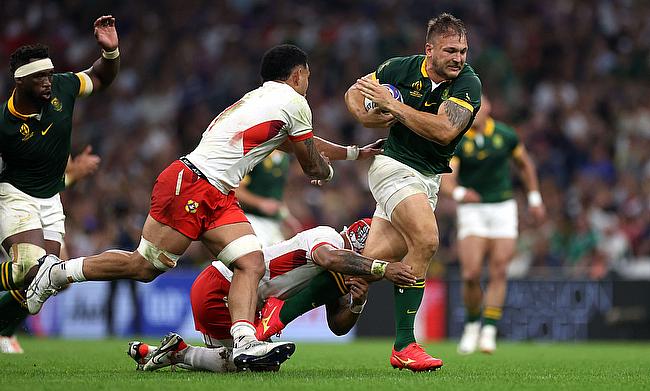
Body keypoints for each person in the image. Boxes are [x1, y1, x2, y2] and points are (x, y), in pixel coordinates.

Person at [27, 44, 382, 370]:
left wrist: (355, 153)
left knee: (250, 262)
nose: (308, 82)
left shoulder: (264, 100)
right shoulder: (294, 101)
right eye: (307, 75)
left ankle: (244, 341)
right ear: (297, 74)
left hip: (216, 191)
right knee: (145, 266)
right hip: (193, 183)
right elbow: (310, 163)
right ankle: (57, 273)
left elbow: (297, 144)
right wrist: (328, 170)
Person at [344, 13, 482, 371]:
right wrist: (366, 116)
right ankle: (404, 344)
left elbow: (444, 131)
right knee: (426, 239)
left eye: (463, 51)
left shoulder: (468, 83)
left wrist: (392, 106)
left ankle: (278, 315)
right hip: (394, 166)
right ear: (429, 50)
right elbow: (354, 93)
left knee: (366, 268)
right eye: (450, 50)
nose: (459, 58)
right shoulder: (399, 68)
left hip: (428, 179)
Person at [127, 218, 416, 372]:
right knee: (247, 362)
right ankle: (183, 354)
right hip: (225, 285)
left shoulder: (340, 277)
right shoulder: (328, 237)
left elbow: (338, 327)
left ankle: (169, 354)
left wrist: (358, 303)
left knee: (252, 365)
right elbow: (328, 258)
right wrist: (383, 267)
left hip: (234, 291)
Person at [0, 15, 118, 350]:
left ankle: (1, 329)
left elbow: (99, 77)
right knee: (27, 268)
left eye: (49, 74)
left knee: (46, 281)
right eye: (39, 78)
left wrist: (110, 53)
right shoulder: (5, 126)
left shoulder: (63, 87)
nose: (48, 82)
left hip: (50, 199)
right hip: (14, 196)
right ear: (20, 83)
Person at [439, 95, 546, 354]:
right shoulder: (459, 138)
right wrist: (460, 194)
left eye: (479, 107)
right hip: (473, 210)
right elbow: (448, 177)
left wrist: (534, 198)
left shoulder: (505, 135)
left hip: (502, 208)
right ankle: (472, 325)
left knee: (499, 270)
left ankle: (489, 330)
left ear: (488, 109)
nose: (475, 112)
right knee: (471, 274)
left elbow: (525, 164)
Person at [0, 146, 101, 353]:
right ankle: (4, 330)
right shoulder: (13, 124)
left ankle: (4, 329)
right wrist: (72, 175)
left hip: (37, 203)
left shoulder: (53, 125)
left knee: (53, 276)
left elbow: (47, 179)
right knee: (35, 271)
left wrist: (71, 175)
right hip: (12, 199)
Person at [235, 150, 300, 246]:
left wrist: (287, 217)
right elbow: (236, 190)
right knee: (257, 254)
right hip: (250, 218)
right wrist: (260, 203)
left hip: (273, 222)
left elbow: (277, 194)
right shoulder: (255, 152)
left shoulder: (285, 157)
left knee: (280, 256)